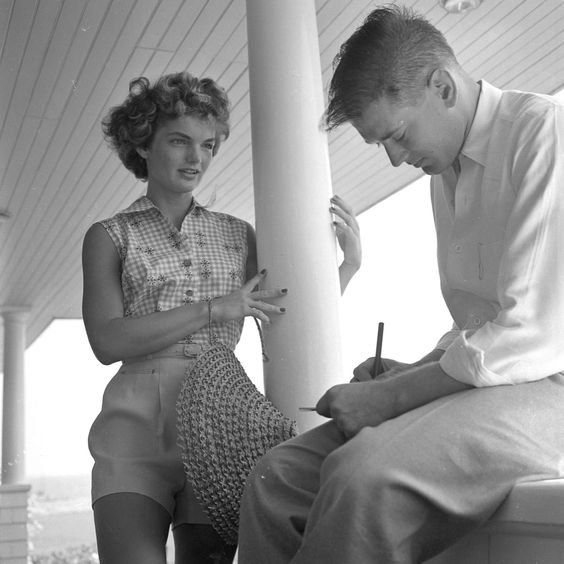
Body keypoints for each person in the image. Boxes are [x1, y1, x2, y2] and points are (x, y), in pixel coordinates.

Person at [237, 5, 564, 564]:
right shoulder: (445, 171)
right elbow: (476, 327)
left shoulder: (543, 132)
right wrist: (411, 372)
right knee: (276, 477)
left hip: (550, 385)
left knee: (363, 477)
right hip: (495, 384)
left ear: (442, 87)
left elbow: (530, 334)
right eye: (381, 145)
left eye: (398, 135)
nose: (394, 159)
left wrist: (390, 396)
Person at [82, 71, 361, 564]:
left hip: (222, 422)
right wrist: (215, 309)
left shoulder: (237, 234)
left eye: (208, 145)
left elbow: (289, 316)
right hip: (134, 427)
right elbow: (107, 341)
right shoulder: (109, 235)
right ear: (143, 144)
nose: (196, 158)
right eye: (179, 141)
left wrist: (348, 266)